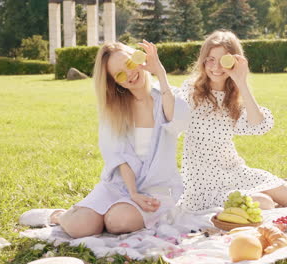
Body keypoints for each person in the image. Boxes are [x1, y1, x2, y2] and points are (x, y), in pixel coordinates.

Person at [19, 41, 190, 238]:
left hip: (158, 190)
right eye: (119, 74)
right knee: (80, 227)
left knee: (118, 221)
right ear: (114, 82)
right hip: (120, 185)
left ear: (138, 58)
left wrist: (160, 72)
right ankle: (58, 216)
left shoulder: (167, 95)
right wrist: (133, 193)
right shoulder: (115, 109)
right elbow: (118, 155)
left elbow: (179, 120)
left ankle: (110, 214)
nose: (130, 74)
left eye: (130, 64)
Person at [178, 30, 287, 211]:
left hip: (235, 172)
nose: (216, 67)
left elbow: (259, 125)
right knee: (264, 203)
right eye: (210, 59)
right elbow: (168, 119)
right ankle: (265, 195)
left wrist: (241, 80)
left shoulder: (233, 98)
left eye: (223, 61)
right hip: (204, 184)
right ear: (203, 61)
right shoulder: (190, 93)